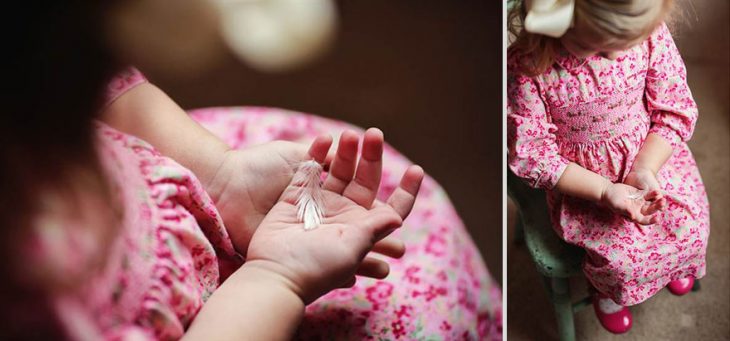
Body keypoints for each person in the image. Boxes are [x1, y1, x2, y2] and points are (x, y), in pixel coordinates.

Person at [2, 2, 501, 339]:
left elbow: (106, 88)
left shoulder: (41, 67)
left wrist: (218, 175)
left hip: (187, 185)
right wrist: (275, 278)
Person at [507, 0, 709, 334]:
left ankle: (674, 265)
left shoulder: (649, 35)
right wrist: (604, 191)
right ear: (558, 23)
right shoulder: (528, 68)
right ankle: (606, 292)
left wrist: (646, 168)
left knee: (691, 224)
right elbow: (534, 155)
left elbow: (673, 109)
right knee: (619, 260)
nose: (615, 56)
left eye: (626, 44)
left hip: (651, 155)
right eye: (595, 45)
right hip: (584, 181)